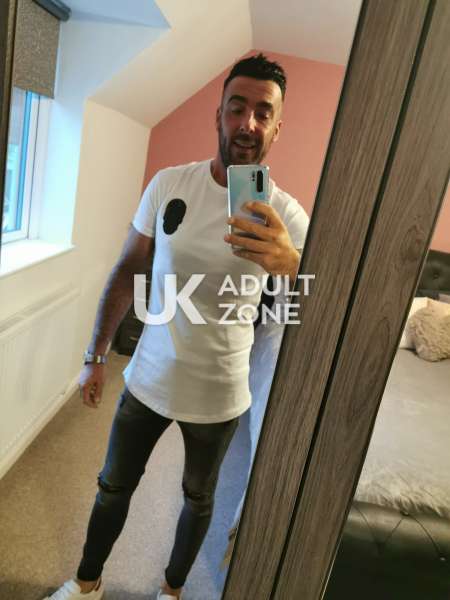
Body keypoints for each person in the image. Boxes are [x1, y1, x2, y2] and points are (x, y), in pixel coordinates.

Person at [44, 53, 309, 600]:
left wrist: (290, 263)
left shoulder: (287, 215)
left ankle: (171, 591)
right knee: (112, 487)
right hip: (149, 379)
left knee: (198, 500)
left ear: (277, 128)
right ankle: (86, 583)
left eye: (263, 112)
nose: (248, 123)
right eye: (237, 107)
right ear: (219, 114)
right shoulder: (169, 184)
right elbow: (127, 270)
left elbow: (311, 302)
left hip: (221, 395)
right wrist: (95, 356)